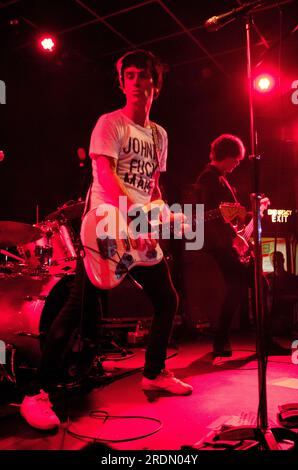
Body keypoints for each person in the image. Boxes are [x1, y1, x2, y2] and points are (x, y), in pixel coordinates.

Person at [20, 50, 192, 431]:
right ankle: (37, 393)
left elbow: (153, 185)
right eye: (128, 76)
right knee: (80, 308)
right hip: (106, 226)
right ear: (122, 82)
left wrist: (161, 211)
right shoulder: (108, 124)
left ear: (154, 84)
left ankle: (154, 372)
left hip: (141, 230)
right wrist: (139, 215)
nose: (135, 82)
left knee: (167, 299)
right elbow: (107, 177)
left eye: (142, 76)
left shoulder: (159, 135)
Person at [194, 134, 289, 364]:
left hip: (227, 243)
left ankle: (227, 342)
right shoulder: (209, 179)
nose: (237, 164)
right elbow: (208, 216)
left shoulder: (220, 179)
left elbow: (231, 215)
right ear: (226, 156)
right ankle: (247, 341)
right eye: (236, 159)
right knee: (248, 287)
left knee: (244, 288)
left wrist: (254, 211)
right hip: (222, 245)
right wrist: (232, 240)